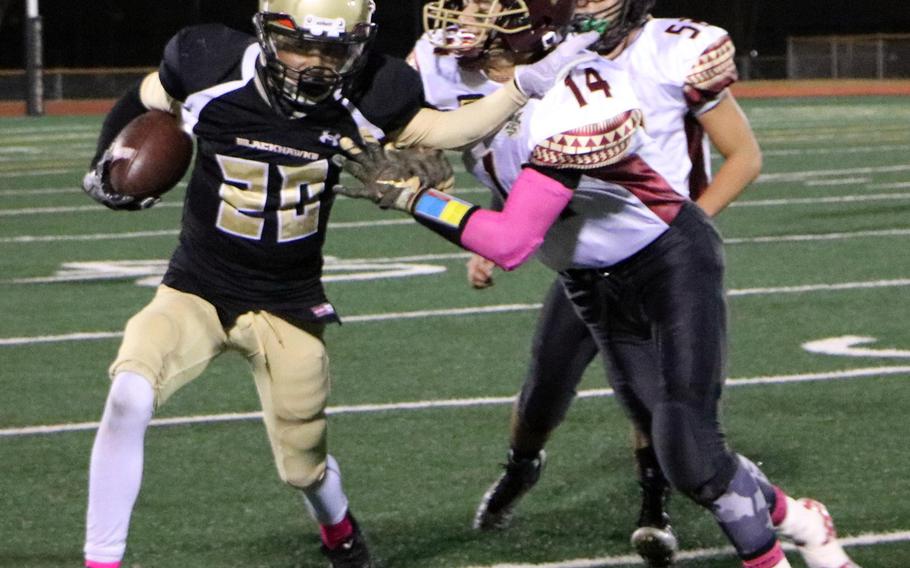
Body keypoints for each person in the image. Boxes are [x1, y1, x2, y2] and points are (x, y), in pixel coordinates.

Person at [337, 2, 861, 567]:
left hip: (666, 262)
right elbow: (375, 140)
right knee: (679, 450)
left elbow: (512, 241)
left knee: (690, 451)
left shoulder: (586, 88)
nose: (465, 15)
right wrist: (409, 153)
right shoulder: (437, 67)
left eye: (488, 5)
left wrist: (416, 198)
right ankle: (800, 519)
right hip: (586, 279)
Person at [78, 1, 598, 566]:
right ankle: (101, 560)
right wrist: (106, 163)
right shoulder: (209, 64)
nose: (314, 64)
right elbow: (144, 100)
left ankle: (340, 532)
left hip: (289, 304)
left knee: (304, 465)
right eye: (301, 45)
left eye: (334, 49)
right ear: (268, 35)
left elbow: (447, 130)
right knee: (129, 392)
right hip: (196, 288)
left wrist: (520, 87)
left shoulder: (375, 92)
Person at [412, 0, 763, 564]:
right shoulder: (526, 60)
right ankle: (520, 468)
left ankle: (655, 506)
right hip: (575, 254)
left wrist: (678, 235)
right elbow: (524, 158)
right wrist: (496, 217)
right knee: (546, 385)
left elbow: (743, 156)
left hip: (648, 242)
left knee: (654, 402)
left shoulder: (670, 51)